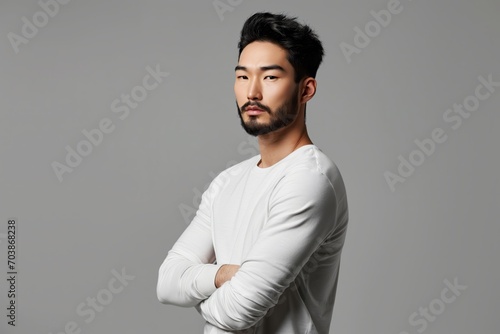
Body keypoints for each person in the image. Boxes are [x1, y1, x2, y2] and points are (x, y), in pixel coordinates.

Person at [157, 12, 349, 334]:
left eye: (271, 77)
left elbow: (238, 311)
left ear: (306, 89)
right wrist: (222, 275)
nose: (252, 93)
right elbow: (167, 282)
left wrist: (201, 298)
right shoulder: (227, 182)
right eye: (243, 77)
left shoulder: (309, 180)